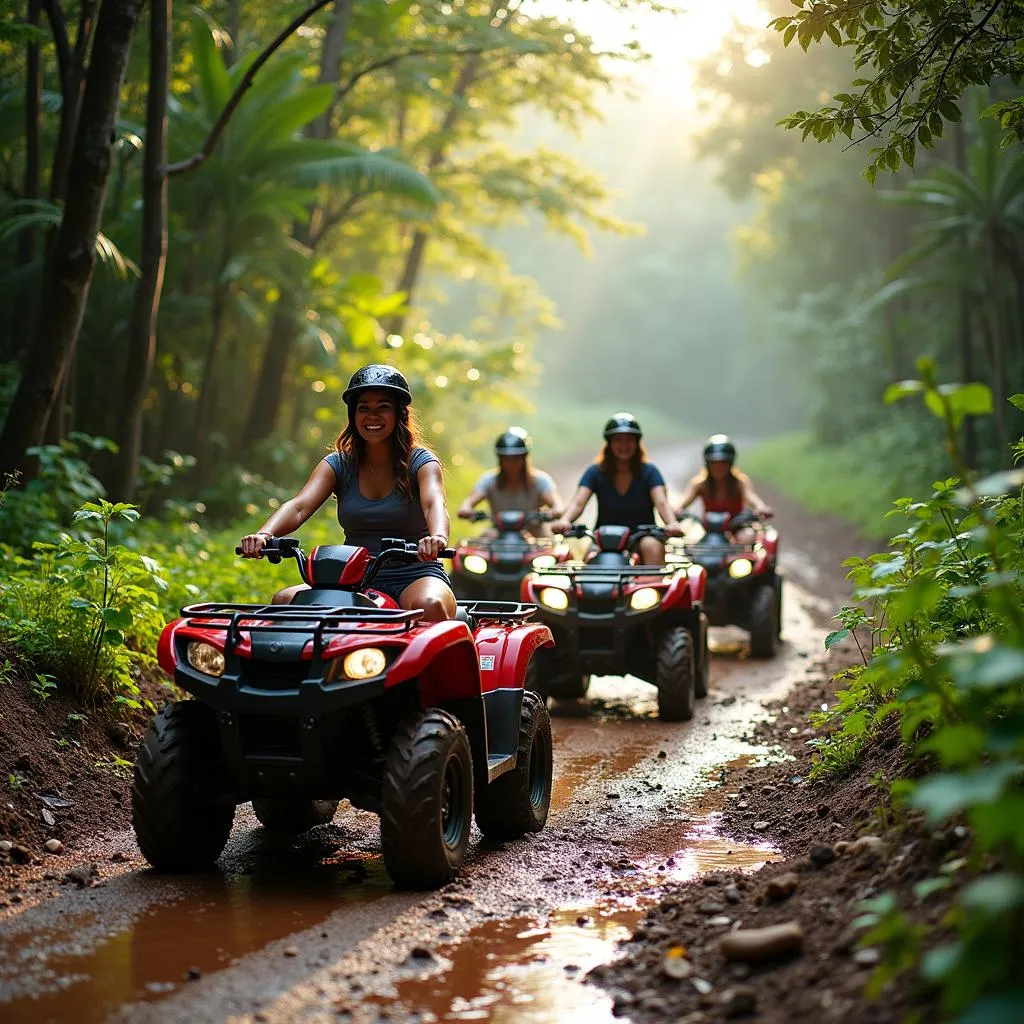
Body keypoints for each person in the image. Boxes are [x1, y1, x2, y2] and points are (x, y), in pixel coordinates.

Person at [239, 364, 456, 621]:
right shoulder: (338, 464)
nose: (372, 416)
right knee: (284, 601)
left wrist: (437, 538)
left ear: (400, 413)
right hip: (352, 578)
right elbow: (299, 506)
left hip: (416, 573)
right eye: (364, 408)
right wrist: (264, 535)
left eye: (383, 407)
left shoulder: (422, 462)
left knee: (427, 605)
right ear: (353, 414)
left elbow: (434, 504)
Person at [550, 413, 682, 564]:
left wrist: (671, 523)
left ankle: (654, 586)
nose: (624, 445)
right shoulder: (595, 472)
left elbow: (661, 501)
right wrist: (565, 520)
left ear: (637, 442)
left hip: (642, 537)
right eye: (618, 440)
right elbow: (578, 502)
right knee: (589, 558)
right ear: (609, 443)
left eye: (629, 440)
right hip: (604, 539)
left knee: (652, 547)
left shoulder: (650, 472)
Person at [456, 427, 563, 533]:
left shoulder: (541, 481)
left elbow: (557, 505)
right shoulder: (489, 480)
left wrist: (553, 512)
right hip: (498, 534)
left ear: (524, 458)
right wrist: (466, 509)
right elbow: (467, 503)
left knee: (557, 550)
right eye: (506, 459)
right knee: (465, 548)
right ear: (500, 459)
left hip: (534, 535)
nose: (511, 464)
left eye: (516, 458)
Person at [676, 434, 773, 543]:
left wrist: (760, 507)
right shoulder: (699, 484)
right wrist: (677, 509)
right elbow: (683, 501)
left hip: (737, 527)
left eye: (723, 463)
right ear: (707, 463)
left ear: (730, 463)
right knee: (689, 543)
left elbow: (751, 496)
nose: (718, 467)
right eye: (714, 463)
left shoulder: (740, 482)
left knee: (746, 537)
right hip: (710, 531)